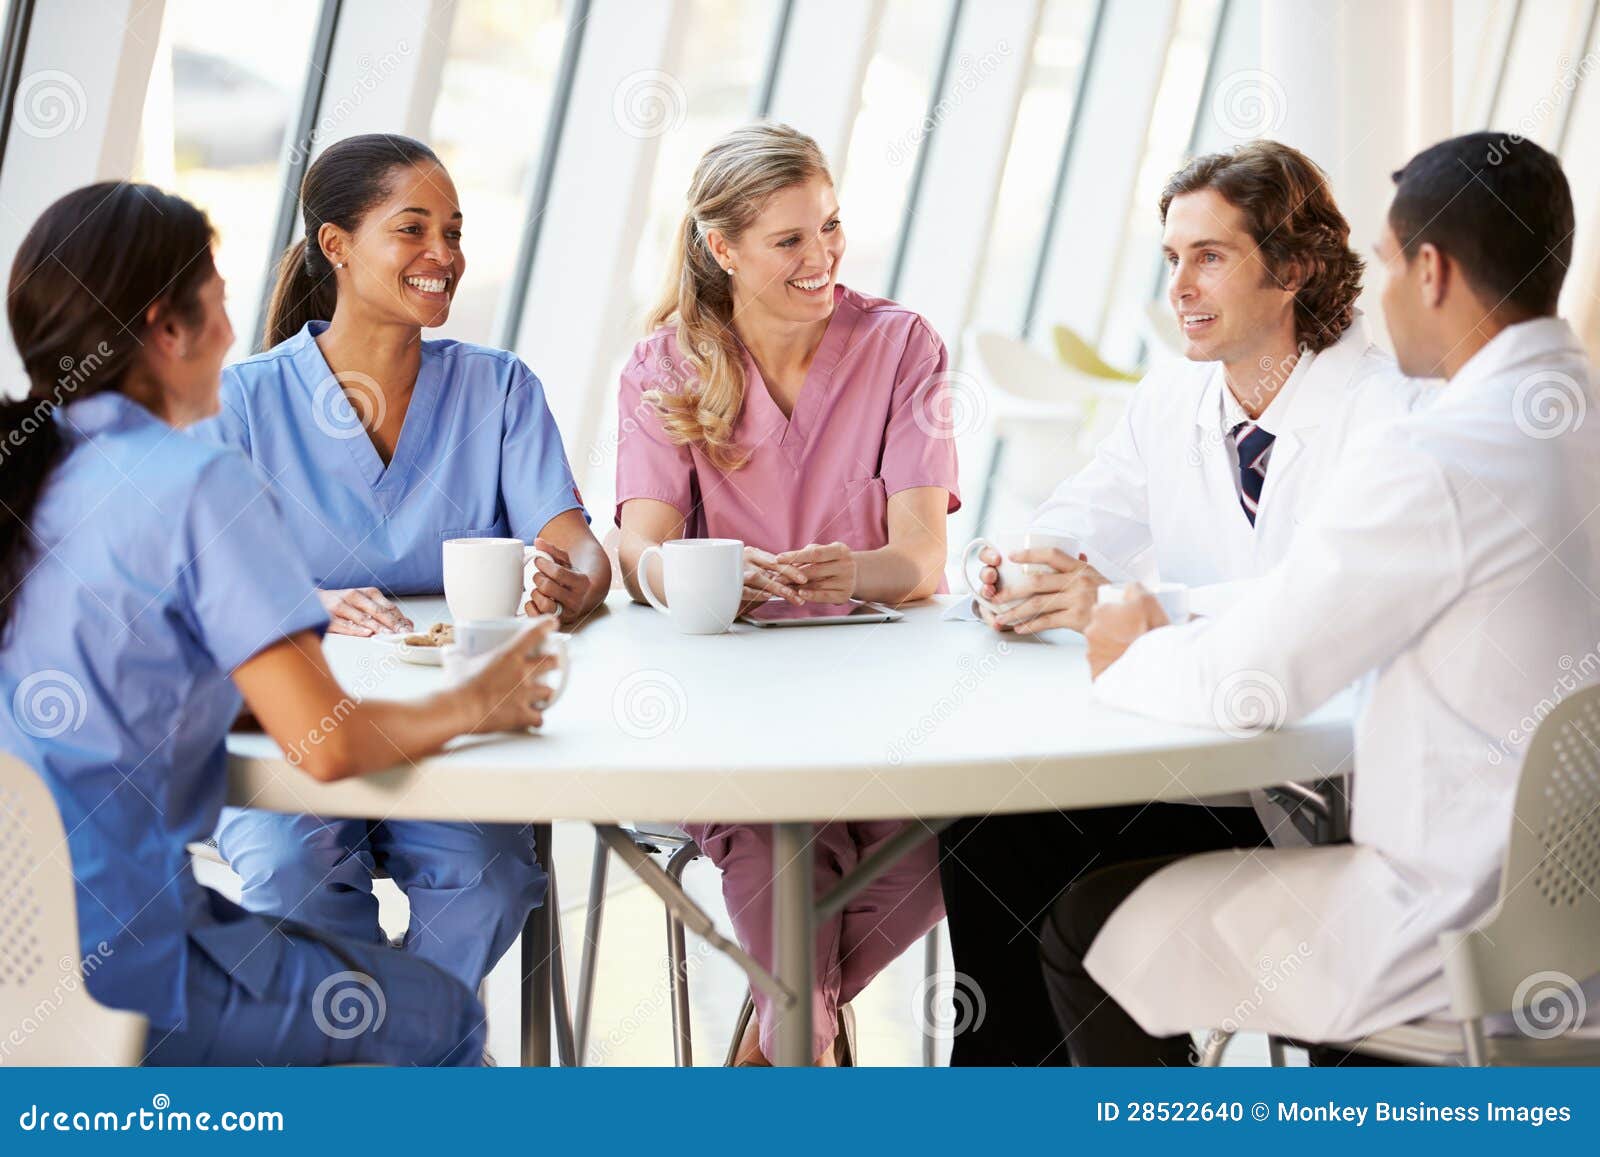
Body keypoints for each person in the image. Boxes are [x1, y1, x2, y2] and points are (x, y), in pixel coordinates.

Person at [1042, 132, 1600, 1063]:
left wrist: (1131, 644)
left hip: (1451, 925)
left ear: (1431, 272)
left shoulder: (1440, 455)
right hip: (1575, 919)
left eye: (1384, 266)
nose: (1375, 298)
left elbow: (1256, 678)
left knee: (1086, 929)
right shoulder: (1569, 424)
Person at [0, 182, 564, 1065]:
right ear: (168, 328)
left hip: (24, 975)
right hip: (135, 977)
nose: (233, 336)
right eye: (219, 306)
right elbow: (329, 747)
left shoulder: (32, 478)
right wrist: (481, 702)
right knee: (438, 1022)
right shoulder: (193, 482)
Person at [939, 140, 1419, 1065]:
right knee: (992, 836)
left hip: (1335, 791)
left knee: (1051, 868)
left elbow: (1320, 605)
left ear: (1295, 267)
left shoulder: (1384, 411)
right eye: (1171, 259)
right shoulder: (1172, 402)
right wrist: (1008, 570)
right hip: (1206, 764)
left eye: (1210, 256)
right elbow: (1075, 523)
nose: (1181, 288)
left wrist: (1132, 604)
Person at [192, 133, 609, 992]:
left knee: (490, 880)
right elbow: (198, 584)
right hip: (291, 724)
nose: (443, 255)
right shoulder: (244, 403)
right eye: (413, 229)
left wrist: (574, 577)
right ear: (335, 245)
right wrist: (303, 596)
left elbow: (574, 539)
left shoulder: (498, 388)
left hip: (456, 729)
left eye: (453, 232)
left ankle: (389, 1081)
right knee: (289, 875)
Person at [614, 123, 959, 1064]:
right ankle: (796, 1041)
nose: (824, 258)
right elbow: (636, 547)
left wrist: (853, 570)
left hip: (883, 700)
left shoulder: (900, 345)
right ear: (721, 248)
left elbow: (921, 558)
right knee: (775, 841)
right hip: (731, 713)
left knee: (950, 838)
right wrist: (705, 574)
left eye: (831, 228)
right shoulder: (662, 365)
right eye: (791, 240)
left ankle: (775, 1041)